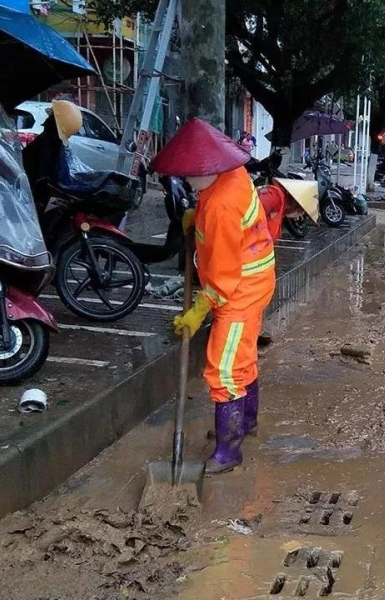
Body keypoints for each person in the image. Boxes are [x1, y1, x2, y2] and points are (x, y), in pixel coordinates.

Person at [149, 118, 275, 476]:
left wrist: (199, 309)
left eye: (190, 175)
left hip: (239, 291)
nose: (187, 181)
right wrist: (197, 212)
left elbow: (221, 279)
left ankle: (228, 451)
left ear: (209, 167)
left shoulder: (220, 205)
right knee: (242, 357)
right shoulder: (232, 176)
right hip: (255, 280)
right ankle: (245, 423)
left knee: (224, 368)